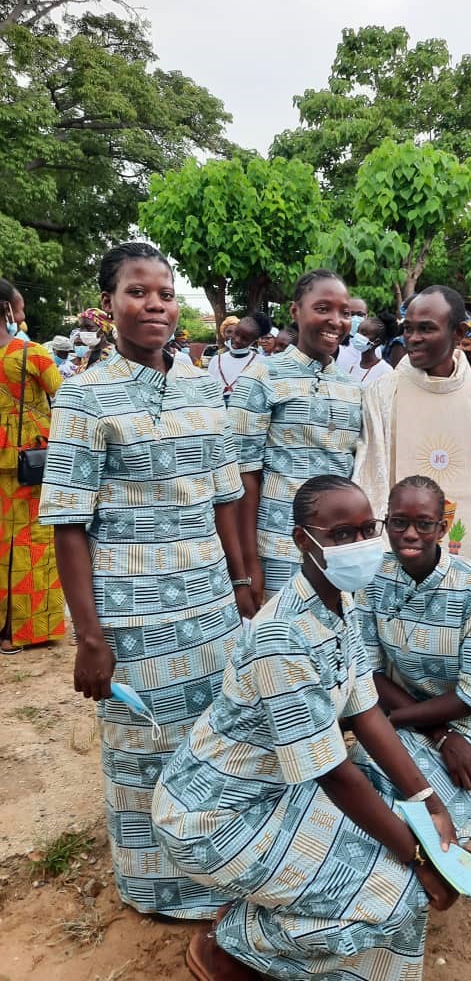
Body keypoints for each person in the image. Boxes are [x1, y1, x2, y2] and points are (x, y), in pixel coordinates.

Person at [152, 475, 458, 981]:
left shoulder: (341, 600)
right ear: (303, 540)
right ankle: (233, 946)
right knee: (398, 893)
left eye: (367, 529)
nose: (361, 545)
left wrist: (428, 802)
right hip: (216, 817)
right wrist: (418, 852)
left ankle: (277, 925)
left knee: (411, 844)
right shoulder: (281, 637)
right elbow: (331, 771)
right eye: (342, 534)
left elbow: (363, 708)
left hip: (277, 793)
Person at [39, 241, 253, 919]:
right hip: (131, 615)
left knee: (211, 740)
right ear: (109, 304)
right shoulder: (83, 395)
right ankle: (154, 888)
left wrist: (243, 580)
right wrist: (89, 637)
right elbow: (69, 523)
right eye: (138, 292)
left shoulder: (199, 385)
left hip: (209, 603)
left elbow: (225, 496)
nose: (154, 303)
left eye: (164, 292)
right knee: (141, 747)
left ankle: (212, 869)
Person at [356, 475, 471, 853]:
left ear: (442, 528)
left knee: (431, 824)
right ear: (387, 522)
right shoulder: (372, 576)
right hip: (407, 710)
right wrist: (440, 735)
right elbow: (371, 672)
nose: (410, 534)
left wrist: (390, 724)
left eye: (423, 524)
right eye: (399, 522)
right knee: (367, 790)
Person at [230, 269, 362, 606]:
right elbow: (243, 475)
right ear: (295, 311)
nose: (335, 321)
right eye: (322, 309)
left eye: (344, 313)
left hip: (340, 551)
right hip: (278, 548)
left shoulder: (353, 389)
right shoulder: (262, 377)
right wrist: (249, 564)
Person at [354, 285, 471, 570]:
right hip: (395, 556)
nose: (413, 339)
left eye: (426, 329)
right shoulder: (383, 393)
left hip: (463, 558)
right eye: (407, 329)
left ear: (459, 333)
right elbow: (371, 474)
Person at [0, 278, 65, 653]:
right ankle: (21, 631)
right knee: (32, 545)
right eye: (19, 307)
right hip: (31, 462)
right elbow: (65, 395)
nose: (22, 315)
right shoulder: (32, 355)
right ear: (6, 310)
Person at [207, 315, 261, 405]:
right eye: (230, 332)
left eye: (244, 337)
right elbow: (209, 391)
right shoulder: (216, 360)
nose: (236, 339)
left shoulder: (260, 361)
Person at [348, 316, 394, 386]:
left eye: (364, 334)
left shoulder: (386, 371)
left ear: (376, 341)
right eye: (358, 331)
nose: (358, 335)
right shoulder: (353, 362)